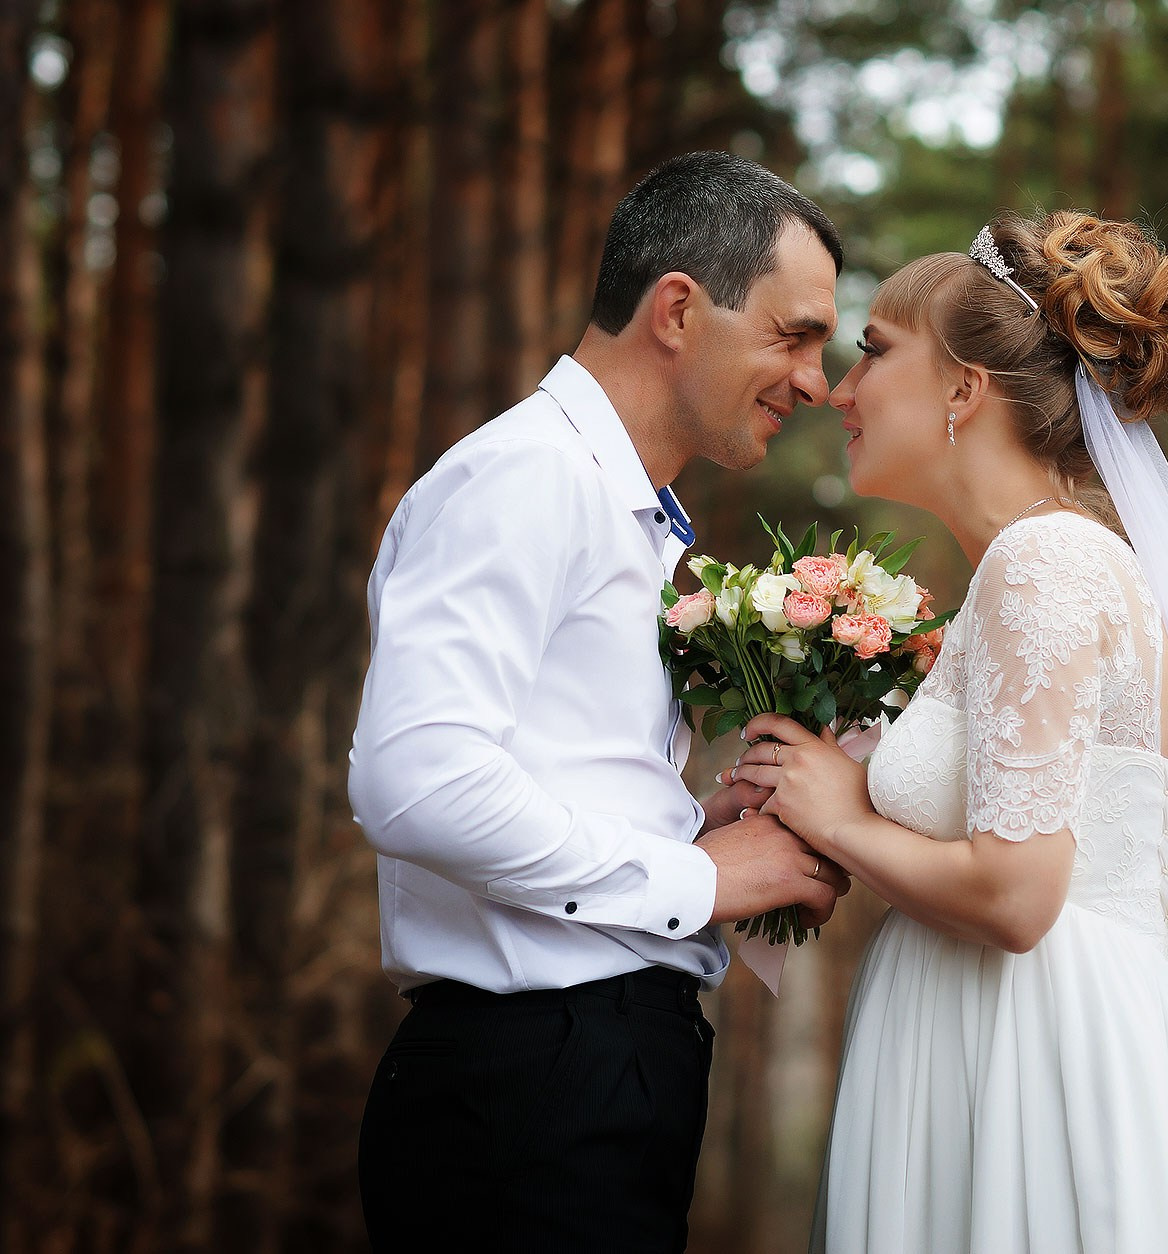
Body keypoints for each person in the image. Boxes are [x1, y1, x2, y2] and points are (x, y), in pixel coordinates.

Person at [730, 211, 1168, 1253]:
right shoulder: (1047, 564)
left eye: (873, 349)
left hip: (1037, 1054)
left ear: (963, 389)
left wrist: (842, 814)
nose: (839, 387)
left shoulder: (1040, 563)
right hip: (1020, 1027)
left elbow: (1016, 893)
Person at [347, 151, 851, 1252]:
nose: (816, 379)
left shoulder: (627, 513)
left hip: (582, 1073)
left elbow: (531, 767)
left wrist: (693, 824)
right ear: (677, 308)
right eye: (794, 332)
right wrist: (696, 875)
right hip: (528, 1083)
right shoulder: (527, 478)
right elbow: (414, 780)